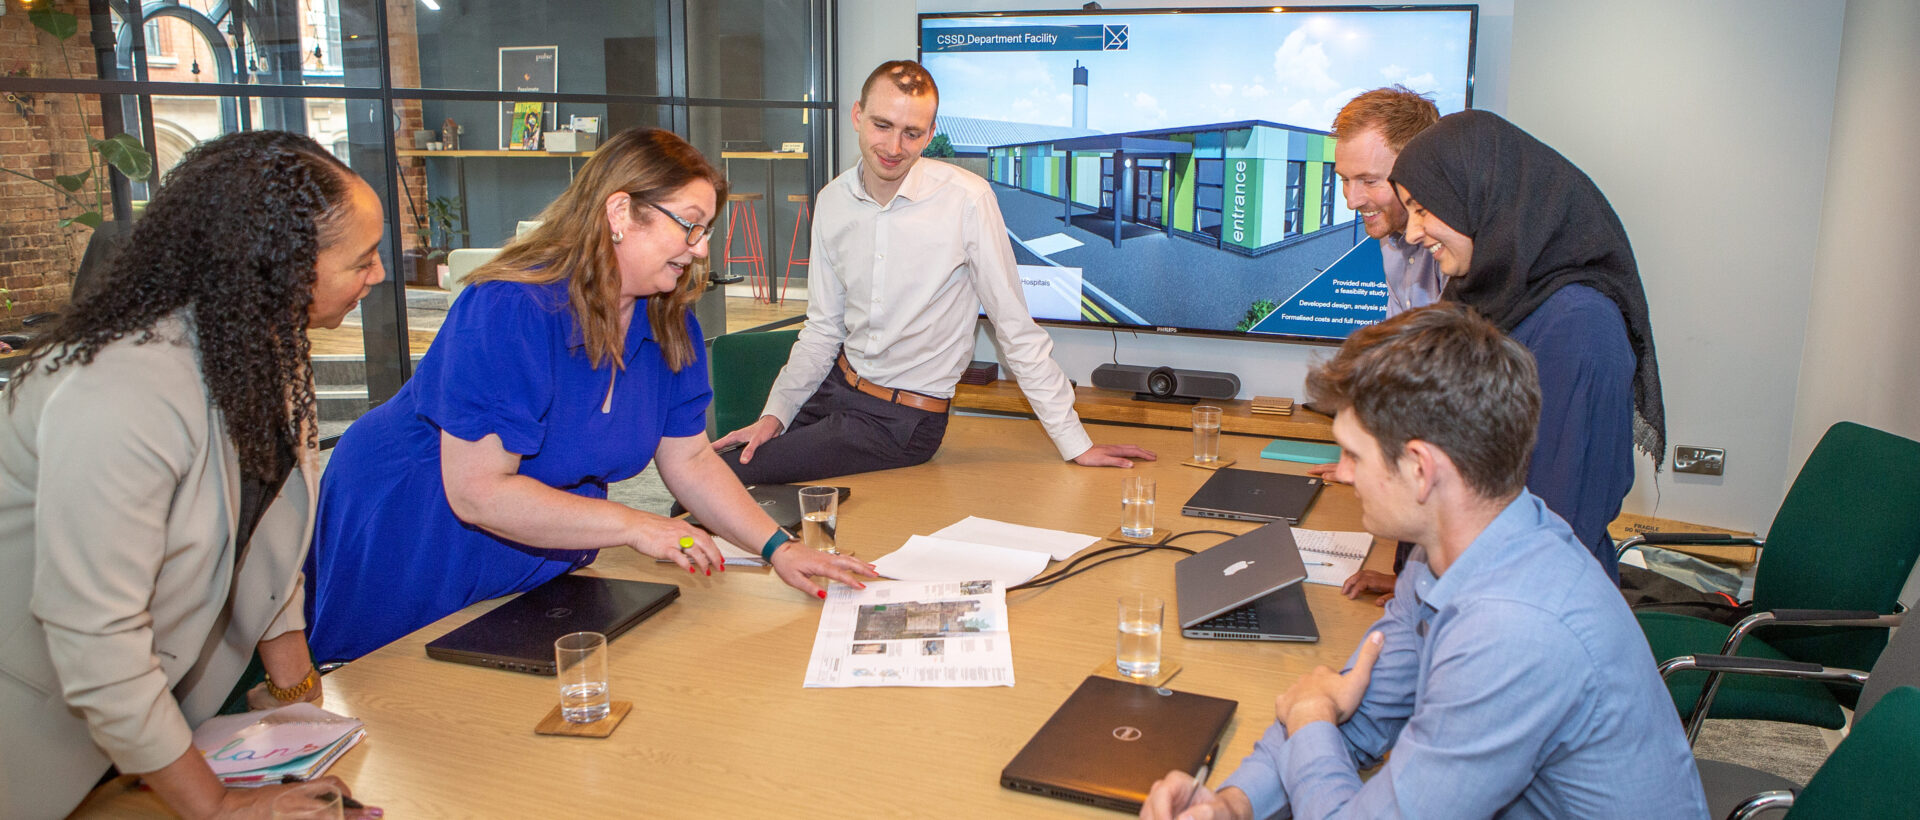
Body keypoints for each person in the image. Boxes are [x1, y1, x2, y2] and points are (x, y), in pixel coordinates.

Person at [304, 128, 874, 664]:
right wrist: (636, 524)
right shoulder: (510, 307)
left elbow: (691, 459)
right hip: (415, 525)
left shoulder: (670, 323)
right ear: (620, 212)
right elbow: (478, 492)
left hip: (537, 542)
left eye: (705, 233)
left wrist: (780, 548)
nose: (700, 251)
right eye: (690, 226)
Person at [1140, 304, 1705, 820]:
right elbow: (1358, 711)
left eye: (1353, 454)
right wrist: (1234, 804)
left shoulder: (1514, 629)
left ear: (1419, 468)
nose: (1340, 473)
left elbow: (1322, 718)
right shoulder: (1461, 550)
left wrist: (1308, 719)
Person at [0, 131, 381, 819]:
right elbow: (97, 642)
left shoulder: (263, 343)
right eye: (363, 259)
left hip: (165, 723)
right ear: (285, 266)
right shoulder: (118, 390)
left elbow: (266, 530)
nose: (379, 274)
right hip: (41, 742)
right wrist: (222, 807)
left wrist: (295, 696)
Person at [712, 60, 1154, 483]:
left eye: (911, 133)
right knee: (710, 474)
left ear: (930, 135)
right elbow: (822, 330)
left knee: (723, 479)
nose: (893, 147)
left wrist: (1075, 442)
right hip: (834, 390)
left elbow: (1015, 329)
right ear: (857, 115)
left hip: (902, 421)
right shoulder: (832, 200)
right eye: (881, 125)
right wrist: (776, 415)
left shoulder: (967, 199)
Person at [1387, 109, 1661, 586]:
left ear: (1480, 194)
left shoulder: (1581, 329)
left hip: (1523, 614)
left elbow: (1556, 528)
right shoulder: (1483, 297)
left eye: (1423, 209)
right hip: (1467, 593)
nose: (1411, 232)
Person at [1325, 86, 1441, 605]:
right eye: (1345, 181)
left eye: (1369, 180)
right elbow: (1400, 359)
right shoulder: (1394, 241)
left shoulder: (1451, 246)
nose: (1352, 200)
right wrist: (1363, 454)